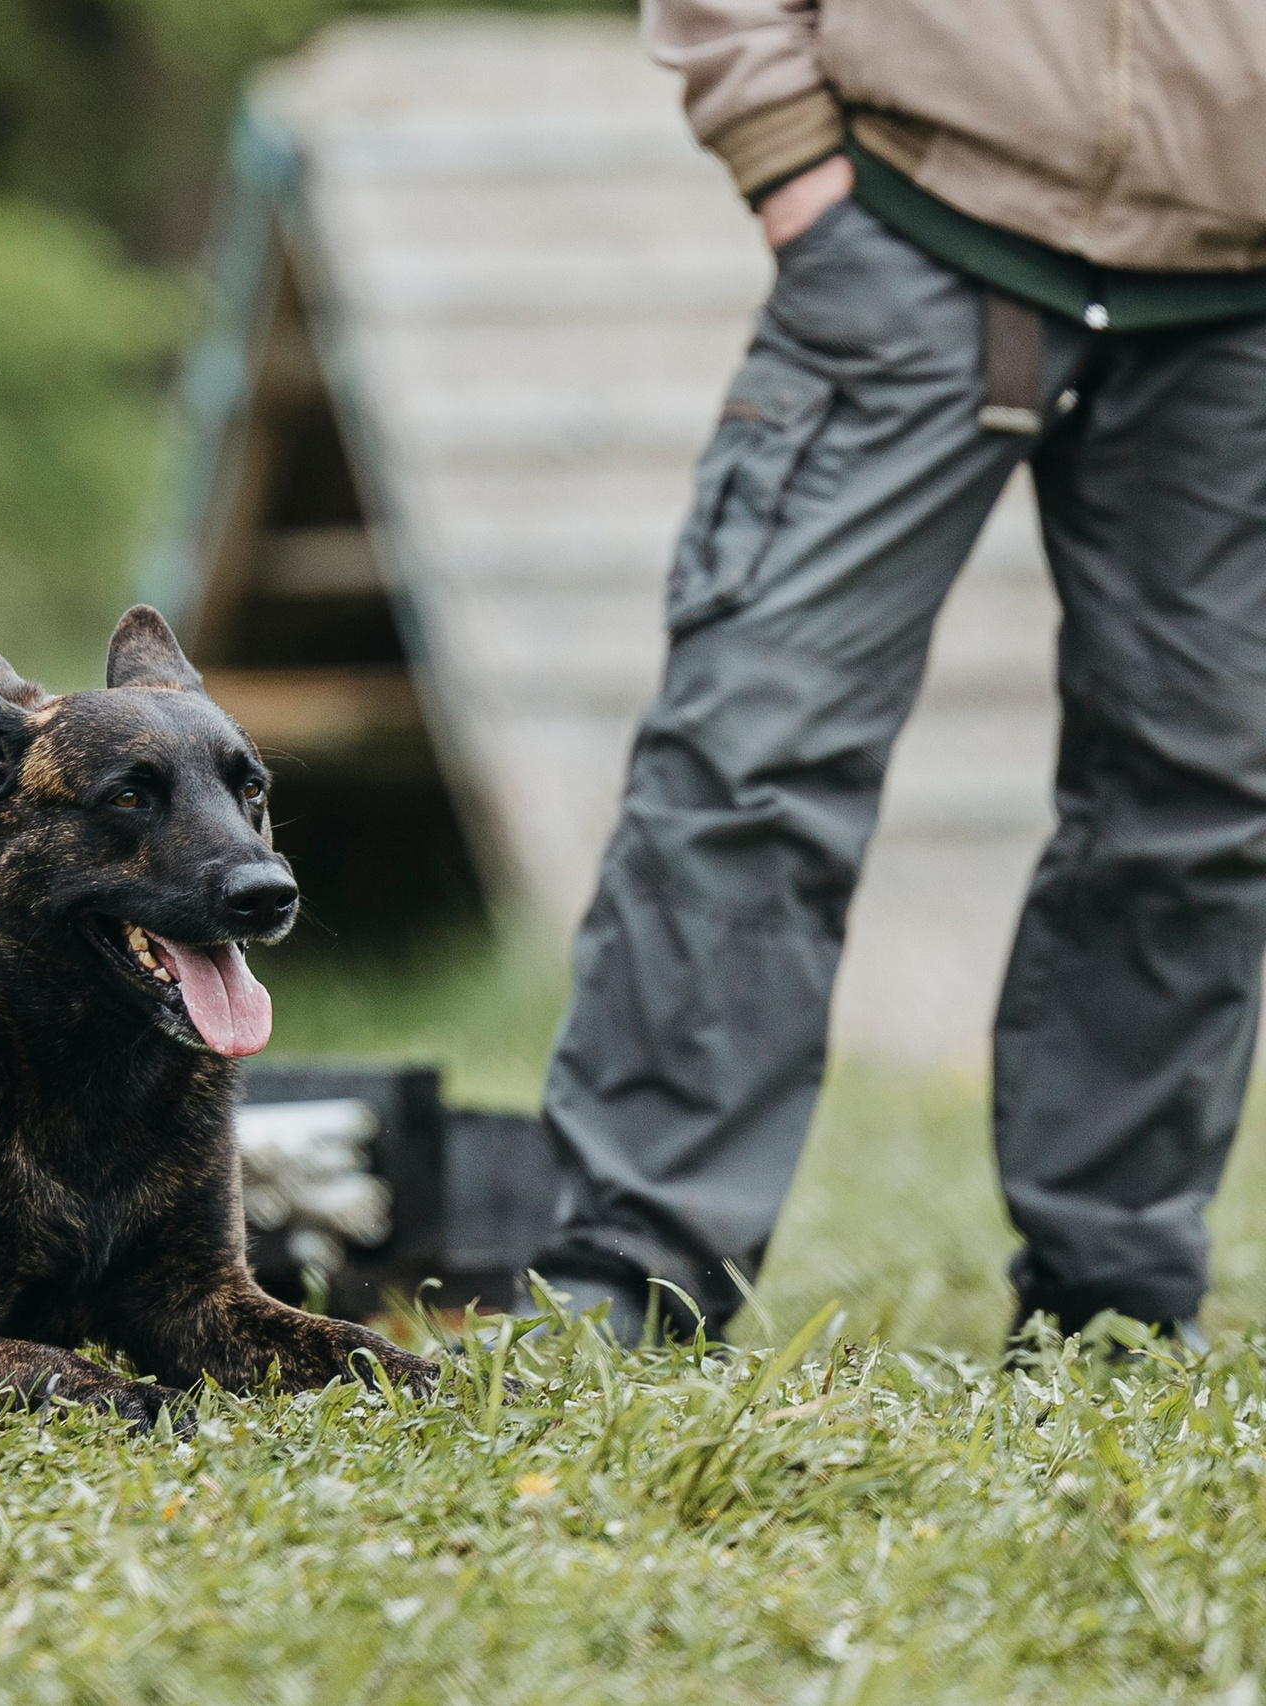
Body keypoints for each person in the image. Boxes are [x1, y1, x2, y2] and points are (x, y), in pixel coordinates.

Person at [531, 1, 1266, 1345]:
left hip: (1236, 301)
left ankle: (1118, 1301)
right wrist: (787, 150)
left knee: (1207, 792)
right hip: (912, 226)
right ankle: (635, 1266)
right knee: (750, 750)